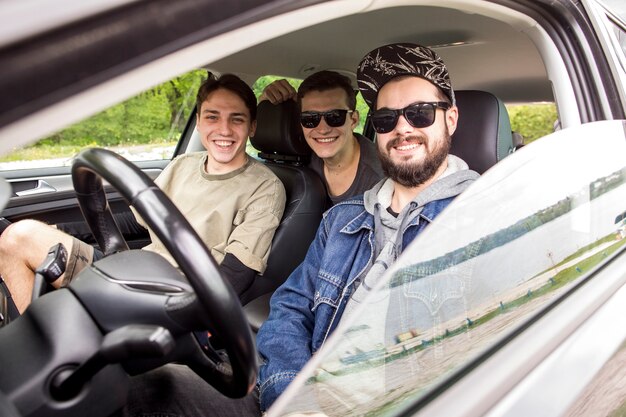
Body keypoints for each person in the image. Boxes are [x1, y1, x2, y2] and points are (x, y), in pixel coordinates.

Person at [112, 43, 480, 417]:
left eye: (419, 114)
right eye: (386, 118)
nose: (402, 128)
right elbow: (288, 308)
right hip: (296, 392)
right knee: (149, 389)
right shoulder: (340, 216)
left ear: (450, 119)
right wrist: (290, 395)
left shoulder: (484, 215)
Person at [0, 73, 286, 313]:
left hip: (173, 301)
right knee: (17, 238)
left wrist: (191, 317)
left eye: (237, 119)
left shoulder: (265, 187)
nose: (224, 129)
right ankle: (37, 346)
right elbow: (137, 220)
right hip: (133, 272)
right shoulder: (183, 165)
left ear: (252, 127)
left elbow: (235, 276)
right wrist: (61, 229)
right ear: (199, 122)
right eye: (213, 117)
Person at [260, 70, 384, 206]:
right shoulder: (300, 152)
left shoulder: (380, 180)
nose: (323, 130)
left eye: (335, 116)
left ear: (353, 120)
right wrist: (266, 104)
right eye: (310, 118)